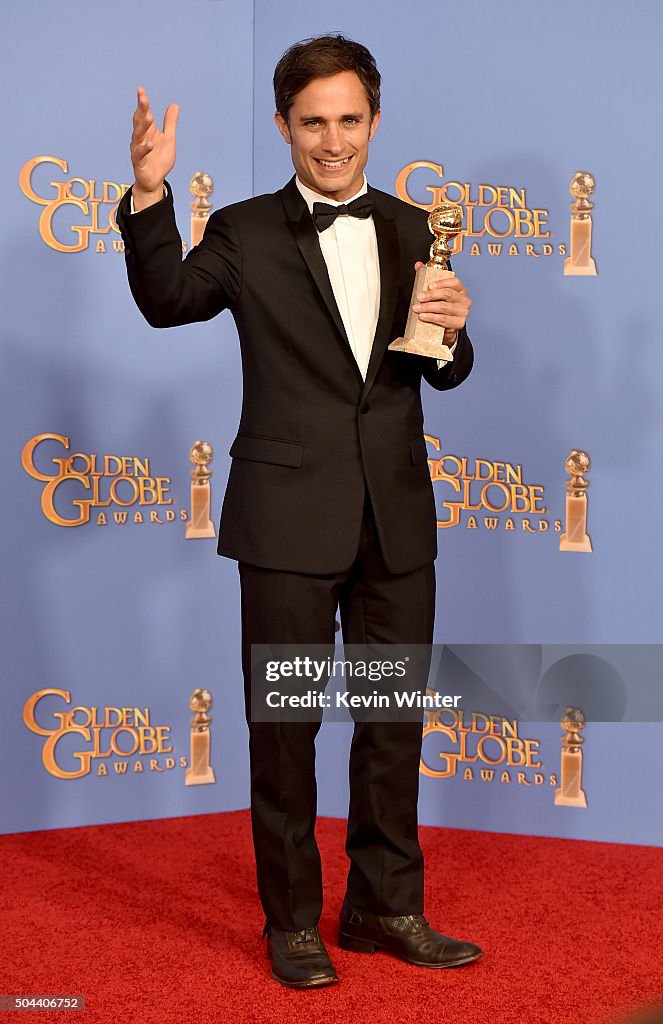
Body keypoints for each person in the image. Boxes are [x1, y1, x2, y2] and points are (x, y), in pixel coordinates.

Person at [116, 34, 481, 988]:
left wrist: (449, 331)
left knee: (391, 720)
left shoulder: (410, 226)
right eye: (311, 122)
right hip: (285, 519)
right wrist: (151, 197)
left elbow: (439, 367)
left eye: (348, 120)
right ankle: (292, 922)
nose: (332, 141)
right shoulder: (242, 231)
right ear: (283, 125)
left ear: (372, 122)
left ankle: (384, 905)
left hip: (394, 515)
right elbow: (167, 299)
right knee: (284, 728)